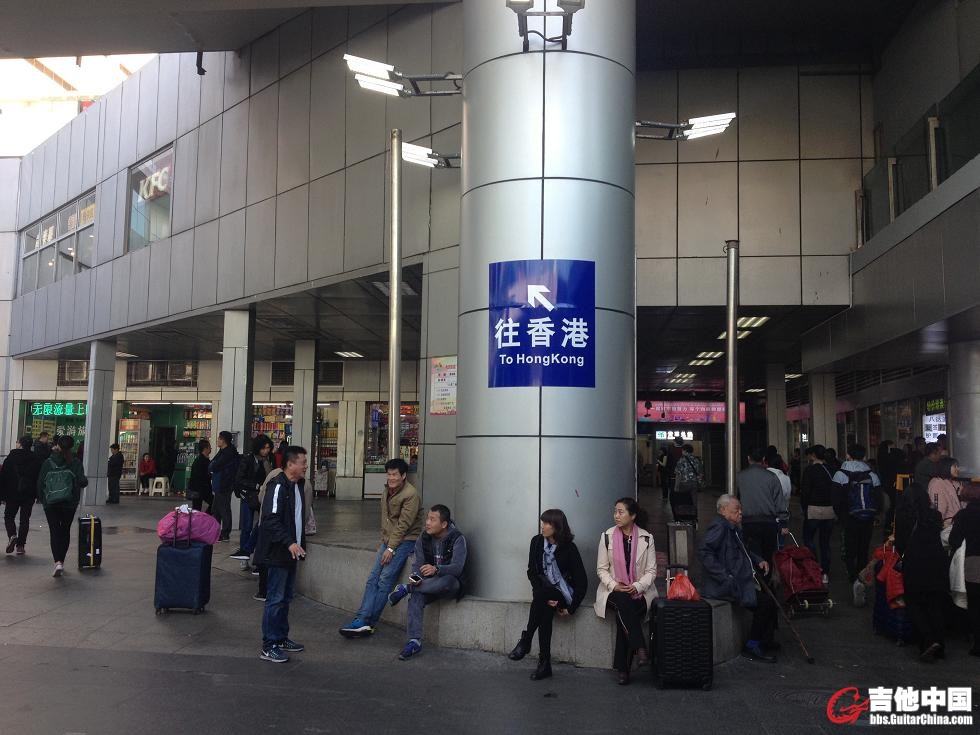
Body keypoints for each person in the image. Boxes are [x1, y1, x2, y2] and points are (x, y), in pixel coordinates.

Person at [340, 457, 424, 637]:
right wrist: (385, 541)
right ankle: (361, 619)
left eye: (395, 474)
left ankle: (368, 622)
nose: (391, 478)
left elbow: (403, 525)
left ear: (403, 476)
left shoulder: (411, 494)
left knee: (385, 579)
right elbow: (387, 519)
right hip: (389, 540)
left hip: (407, 540)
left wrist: (391, 548)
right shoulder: (388, 490)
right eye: (389, 474)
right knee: (372, 579)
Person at [508, 508, 588, 680]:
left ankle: (526, 639)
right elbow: (532, 572)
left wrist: (571, 608)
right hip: (543, 593)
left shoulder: (569, 548)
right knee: (544, 608)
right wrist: (539, 593)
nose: (542, 526)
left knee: (542, 597)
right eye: (542, 522)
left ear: (557, 526)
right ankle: (544, 665)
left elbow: (582, 581)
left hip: (563, 593)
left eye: (546, 523)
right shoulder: (536, 542)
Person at [700, 494, 779, 663]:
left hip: (737, 581)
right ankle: (752, 645)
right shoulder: (719, 526)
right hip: (726, 585)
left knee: (770, 599)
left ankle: (764, 640)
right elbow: (705, 552)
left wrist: (758, 560)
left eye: (740, 509)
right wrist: (725, 577)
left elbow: (744, 551)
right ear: (723, 510)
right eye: (736, 510)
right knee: (765, 603)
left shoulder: (733, 528)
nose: (741, 512)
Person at [387, 504, 468, 661]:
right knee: (416, 597)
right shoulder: (423, 538)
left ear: (444, 524)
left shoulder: (458, 538)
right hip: (428, 584)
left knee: (447, 581)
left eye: (432, 519)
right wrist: (415, 579)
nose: (427, 523)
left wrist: (437, 569)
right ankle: (414, 641)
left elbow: (457, 568)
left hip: (450, 584)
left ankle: (406, 589)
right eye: (427, 518)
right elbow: (417, 565)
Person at [594, 497, 657, 686]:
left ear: (633, 515)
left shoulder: (647, 538)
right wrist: (614, 585)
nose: (616, 515)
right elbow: (601, 569)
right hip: (612, 590)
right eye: (615, 511)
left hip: (640, 591)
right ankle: (640, 648)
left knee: (626, 610)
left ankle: (624, 669)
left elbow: (651, 571)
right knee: (623, 600)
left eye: (621, 512)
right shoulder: (607, 536)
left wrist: (637, 586)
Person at [254, 445, 308, 663]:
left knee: (285, 597)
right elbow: (270, 520)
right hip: (278, 552)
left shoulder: (298, 485)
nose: (305, 466)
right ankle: (269, 645)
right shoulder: (277, 485)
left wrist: (298, 544)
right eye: (303, 462)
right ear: (290, 464)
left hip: (292, 552)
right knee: (275, 599)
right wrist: (289, 542)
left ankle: (281, 637)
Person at [895, 481, 949, 661]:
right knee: (935, 604)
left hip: (915, 563)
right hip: (937, 561)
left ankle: (928, 639)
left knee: (914, 603)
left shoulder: (903, 516)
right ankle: (940, 646)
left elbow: (900, 544)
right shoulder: (935, 515)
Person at [36, 435, 88, 577]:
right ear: (71, 446)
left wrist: (43, 500)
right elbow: (83, 481)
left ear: (57, 445)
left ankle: (57, 562)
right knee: (65, 530)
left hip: (51, 503)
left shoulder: (48, 462)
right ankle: (62, 561)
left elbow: (40, 483)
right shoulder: (75, 462)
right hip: (69, 503)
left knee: (54, 531)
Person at [833, 443, 881, 589]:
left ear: (848, 455)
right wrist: (875, 514)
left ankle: (852, 576)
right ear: (864, 457)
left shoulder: (840, 474)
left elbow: (835, 499)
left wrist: (841, 516)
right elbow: (878, 497)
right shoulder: (872, 475)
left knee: (849, 547)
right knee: (863, 547)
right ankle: (862, 575)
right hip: (868, 517)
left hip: (849, 517)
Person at [735, 446, 788, 563]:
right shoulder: (772, 477)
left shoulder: (740, 476)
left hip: (747, 522)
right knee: (768, 556)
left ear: (748, 458)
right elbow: (779, 502)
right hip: (769, 523)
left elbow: (736, 499)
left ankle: (754, 574)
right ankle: (767, 574)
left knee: (751, 555)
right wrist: (783, 522)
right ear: (763, 459)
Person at [230, 434, 274, 561]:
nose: (266, 451)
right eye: (264, 448)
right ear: (258, 448)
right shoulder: (248, 460)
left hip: (263, 496)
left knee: (262, 523)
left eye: (268, 448)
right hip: (249, 496)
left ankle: (253, 551)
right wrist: (257, 486)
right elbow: (239, 479)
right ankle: (244, 553)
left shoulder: (269, 459)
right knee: (247, 526)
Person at [949, 493, 980, 656]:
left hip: (973, 562)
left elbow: (954, 540)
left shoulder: (964, 515)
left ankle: (977, 644)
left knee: (974, 604)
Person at [800, 445, 837, 583]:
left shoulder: (809, 470)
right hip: (829, 510)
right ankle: (825, 572)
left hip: (813, 509)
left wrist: (804, 509)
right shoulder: (832, 469)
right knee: (825, 543)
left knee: (808, 539)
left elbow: (805, 492)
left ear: (813, 455)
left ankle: (815, 567)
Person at [2, 436, 41, 555]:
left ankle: (12, 535)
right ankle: (20, 546)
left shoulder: (11, 457)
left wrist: (2, 494)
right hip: (29, 494)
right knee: (24, 520)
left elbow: (3, 476)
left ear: (20, 444)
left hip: (12, 493)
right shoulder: (36, 458)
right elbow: (39, 477)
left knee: (9, 516)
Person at [208, 431, 241, 542]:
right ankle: (217, 531)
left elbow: (214, 465)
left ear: (224, 441)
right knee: (216, 509)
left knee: (223, 509)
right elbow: (211, 465)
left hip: (224, 484)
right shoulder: (223, 452)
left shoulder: (228, 454)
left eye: (219, 439)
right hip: (220, 484)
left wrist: (213, 465)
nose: (217, 440)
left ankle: (225, 533)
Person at [927, 456, 963, 538]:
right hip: (946, 528)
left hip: (957, 524)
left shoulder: (955, 483)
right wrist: (943, 524)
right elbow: (939, 511)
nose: (958, 469)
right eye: (955, 466)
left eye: (958, 466)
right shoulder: (937, 484)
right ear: (946, 466)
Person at [674, 443, 705, 510]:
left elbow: (678, 474)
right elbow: (701, 473)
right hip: (694, 483)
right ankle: (694, 513)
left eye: (682, 450)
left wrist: (676, 486)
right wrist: (699, 482)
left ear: (685, 451)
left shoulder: (681, 460)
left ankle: (685, 514)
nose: (682, 452)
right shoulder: (697, 460)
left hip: (684, 483)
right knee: (694, 499)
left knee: (683, 500)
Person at [186, 440, 212, 512]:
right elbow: (202, 476)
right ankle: (204, 517)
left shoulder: (199, 460)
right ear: (205, 449)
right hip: (200, 489)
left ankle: (202, 517)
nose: (211, 449)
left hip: (198, 489)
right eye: (209, 447)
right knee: (213, 504)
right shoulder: (202, 461)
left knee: (196, 509)